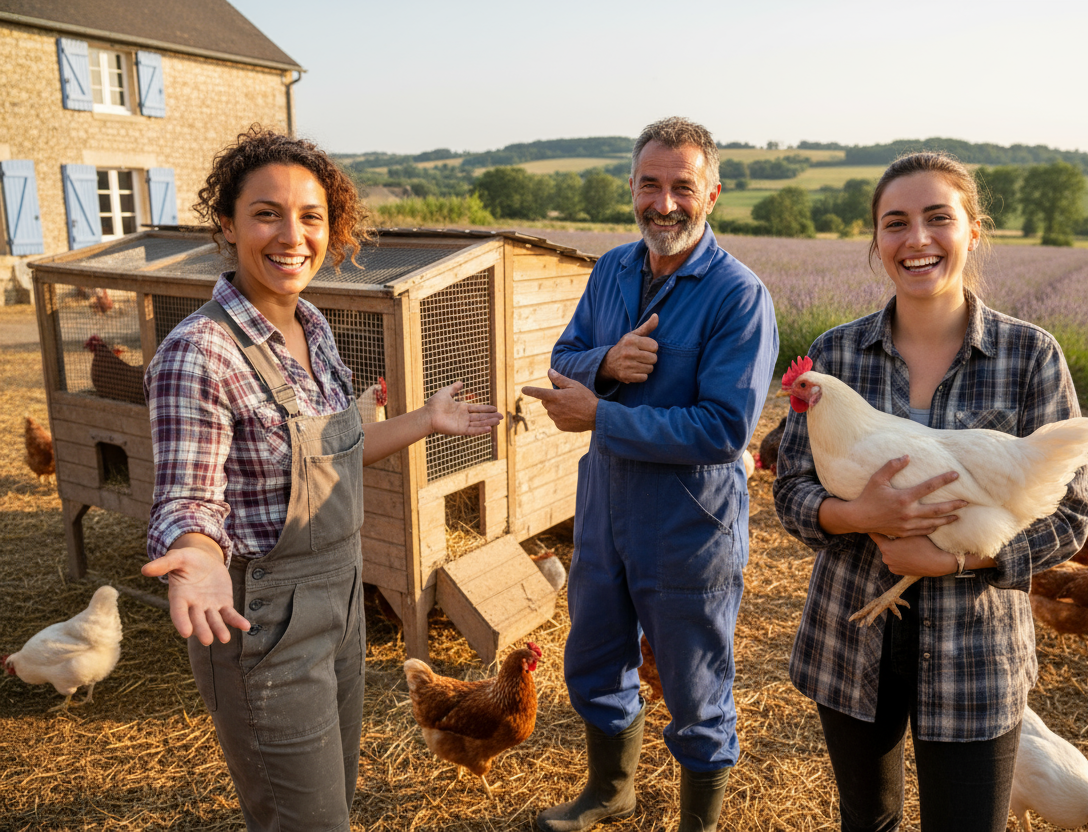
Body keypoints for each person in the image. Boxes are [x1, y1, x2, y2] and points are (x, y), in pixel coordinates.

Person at [141, 126, 501, 832]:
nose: (292, 235)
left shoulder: (314, 325)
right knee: (306, 820)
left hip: (339, 594)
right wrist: (199, 555)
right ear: (228, 225)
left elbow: (332, 453)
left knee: (333, 798)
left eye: (311, 216)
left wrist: (427, 419)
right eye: (266, 213)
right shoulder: (200, 351)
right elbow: (190, 493)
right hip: (263, 616)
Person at [772, 151, 1088, 832]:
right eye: (895, 223)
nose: (916, 239)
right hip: (850, 640)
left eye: (936, 218)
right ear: (877, 243)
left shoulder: (1029, 355)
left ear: (973, 231)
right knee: (869, 823)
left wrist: (952, 559)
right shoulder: (835, 355)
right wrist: (856, 514)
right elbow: (791, 492)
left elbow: (1071, 517)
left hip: (976, 655)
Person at [522, 116, 778, 832]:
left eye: (682, 187)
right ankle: (612, 791)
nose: (663, 204)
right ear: (630, 188)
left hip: (687, 521)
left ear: (713, 194)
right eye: (650, 185)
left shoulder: (738, 296)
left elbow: (724, 429)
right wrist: (604, 364)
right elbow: (564, 357)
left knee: (695, 687)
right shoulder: (611, 270)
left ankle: (698, 822)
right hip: (604, 508)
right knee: (596, 659)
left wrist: (602, 415)